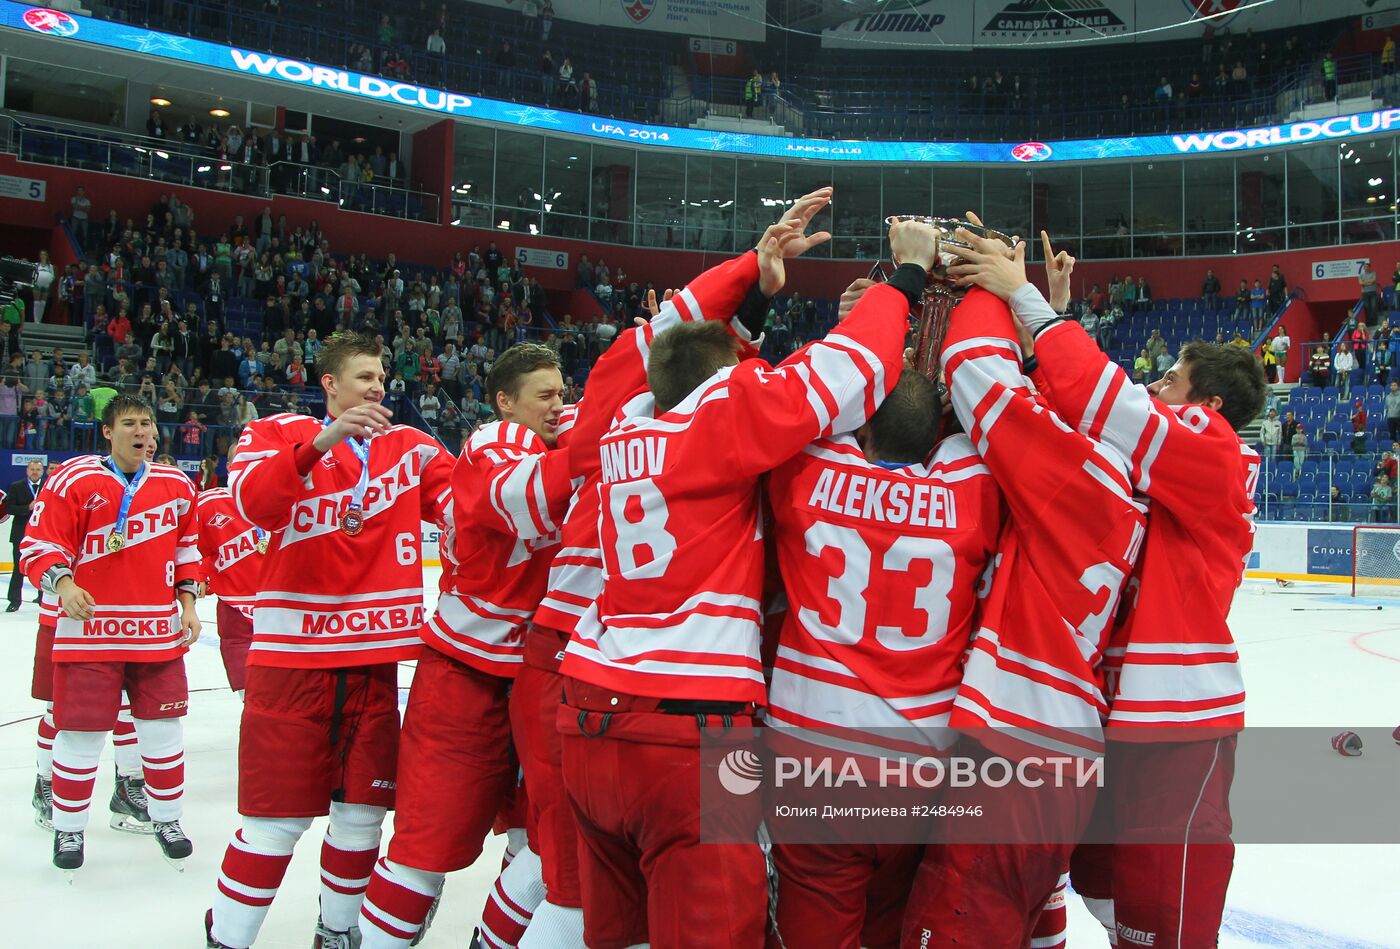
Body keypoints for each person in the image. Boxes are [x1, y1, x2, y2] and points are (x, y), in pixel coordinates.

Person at [556, 197, 915, 949]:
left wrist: (749, 284)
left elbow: (668, 359)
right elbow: (850, 369)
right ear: (727, 383)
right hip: (695, 730)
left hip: (588, 716)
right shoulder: (724, 421)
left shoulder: (620, 423)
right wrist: (903, 280)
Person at [950, 227, 1267, 947]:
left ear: (1207, 404)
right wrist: (1051, 326)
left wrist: (1027, 303)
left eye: (1171, 380)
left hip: (1176, 725)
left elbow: (1114, 408)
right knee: (1091, 890)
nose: (1155, 387)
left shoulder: (1212, 448)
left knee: (1164, 917)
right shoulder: (1175, 460)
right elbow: (1083, 421)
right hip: (1110, 716)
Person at [205, 333, 456, 949]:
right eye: (365, 377)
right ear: (330, 385)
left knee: (362, 814)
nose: (377, 388)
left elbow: (470, 507)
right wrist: (324, 442)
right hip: (292, 662)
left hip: (374, 663)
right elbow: (254, 504)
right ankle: (227, 938)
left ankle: (337, 932)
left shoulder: (412, 448)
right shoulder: (274, 432)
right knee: (275, 820)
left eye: (381, 378)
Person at [355, 342, 575, 949]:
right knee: (426, 845)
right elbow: (532, 504)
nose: (561, 405)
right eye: (546, 396)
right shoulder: (493, 444)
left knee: (545, 839)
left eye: (565, 393)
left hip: (544, 675)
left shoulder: (560, 445)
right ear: (506, 403)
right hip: (465, 672)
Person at [20, 395, 201, 873]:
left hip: (156, 635)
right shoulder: (74, 478)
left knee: (163, 731)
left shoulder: (176, 483)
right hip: (89, 632)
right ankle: (69, 829)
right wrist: (63, 582)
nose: (141, 432)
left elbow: (187, 549)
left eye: (147, 424)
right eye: (129, 424)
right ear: (107, 431)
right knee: (79, 734)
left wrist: (188, 603)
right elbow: (39, 543)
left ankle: (167, 819)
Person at [194, 448, 270, 697]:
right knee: (249, 692)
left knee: (286, 693)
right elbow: (190, 548)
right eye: (243, 460)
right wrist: (200, 575)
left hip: (282, 610)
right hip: (236, 610)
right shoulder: (209, 503)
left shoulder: (289, 502)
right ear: (229, 467)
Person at [7, 459, 44, 611]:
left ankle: (43, 600)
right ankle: (14, 601)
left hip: (43, 534)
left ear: (42, 472)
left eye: (38, 469)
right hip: (20, 534)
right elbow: (9, 508)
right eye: (32, 469)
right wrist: (27, 508)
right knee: (18, 568)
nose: (35, 472)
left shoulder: (49, 487)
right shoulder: (16, 486)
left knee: (44, 567)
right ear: (27, 471)